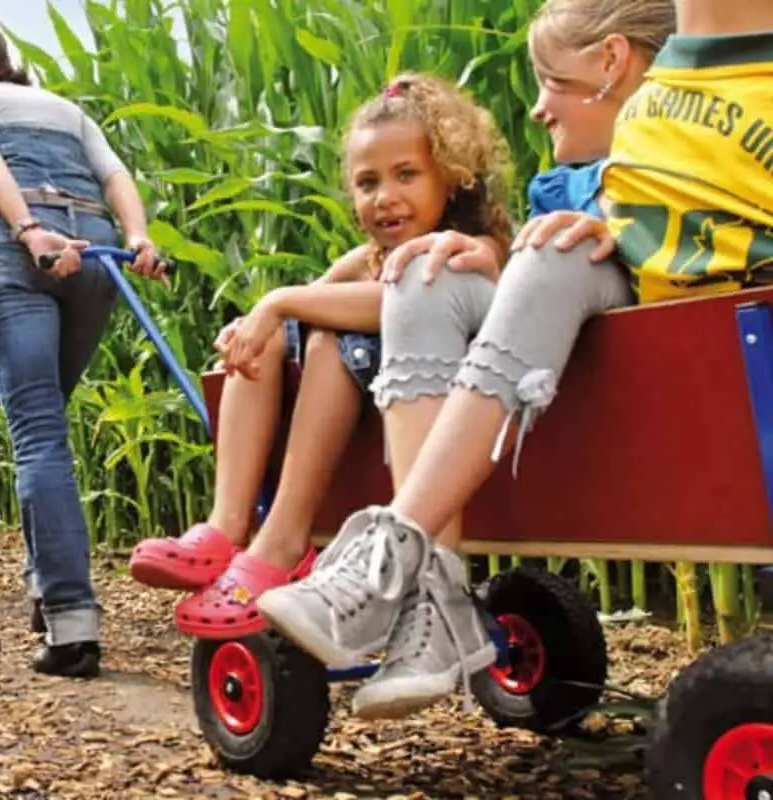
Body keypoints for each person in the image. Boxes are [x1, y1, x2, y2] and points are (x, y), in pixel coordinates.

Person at [259, 0, 773, 724]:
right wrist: (506, 258)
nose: (535, 107)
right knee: (435, 270)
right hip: (605, 352)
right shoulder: (651, 124)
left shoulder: (682, 115)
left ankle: (391, 559)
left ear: (612, 64)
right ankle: (426, 593)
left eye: (550, 82)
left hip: (712, 400)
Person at [129, 73, 512, 640]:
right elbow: (319, 302)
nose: (384, 197)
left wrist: (279, 301)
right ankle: (226, 524)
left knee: (328, 338)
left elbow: (395, 303)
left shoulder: (471, 250)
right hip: (377, 419)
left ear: (452, 178)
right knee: (276, 337)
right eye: (367, 182)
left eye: (406, 175)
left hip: (447, 419)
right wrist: (259, 323)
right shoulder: (366, 257)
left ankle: (281, 541)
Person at [0, 18, 163, 678]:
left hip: (27, 255)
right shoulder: (63, 107)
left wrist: (27, 231)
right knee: (46, 422)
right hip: (99, 259)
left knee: (38, 436)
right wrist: (139, 238)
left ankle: (72, 624)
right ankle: (41, 582)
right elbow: (115, 176)